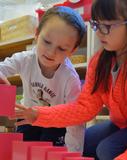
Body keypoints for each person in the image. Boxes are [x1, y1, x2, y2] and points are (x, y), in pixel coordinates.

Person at [12, 0, 127, 159]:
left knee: (107, 150)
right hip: (125, 124)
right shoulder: (100, 61)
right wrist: (37, 115)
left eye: (107, 26)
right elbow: (85, 108)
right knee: (86, 142)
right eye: (96, 23)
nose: (98, 32)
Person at [0, 6, 86, 152]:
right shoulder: (25, 59)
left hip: (56, 123)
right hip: (28, 118)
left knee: (48, 151)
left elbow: (75, 121)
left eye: (62, 48)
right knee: (23, 151)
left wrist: (74, 153)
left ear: (72, 50)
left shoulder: (70, 78)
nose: (51, 52)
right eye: (47, 42)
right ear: (37, 34)